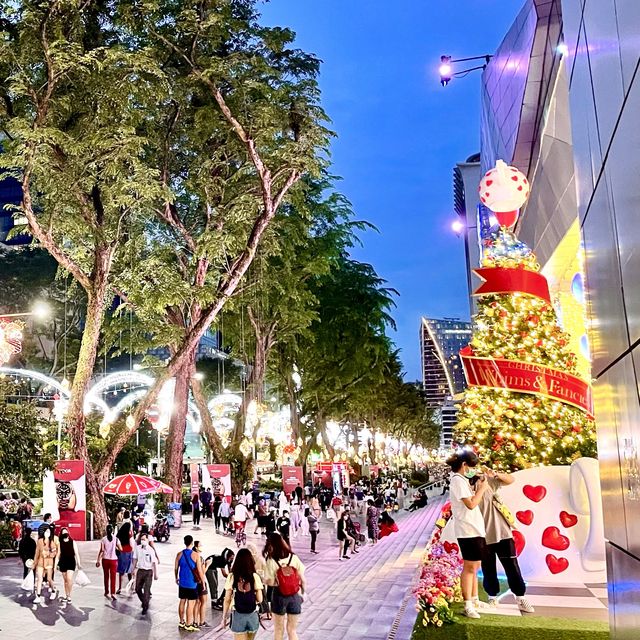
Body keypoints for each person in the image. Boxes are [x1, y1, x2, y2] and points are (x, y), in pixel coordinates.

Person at [476, 468, 534, 613]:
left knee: (512, 566)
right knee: (487, 568)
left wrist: (494, 474)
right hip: (482, 535)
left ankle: (520, 597)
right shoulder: (464, 486)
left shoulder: (487, 481)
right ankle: (492, 597)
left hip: (502, 532)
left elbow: (510, 480)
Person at [446, 449, 488, 619]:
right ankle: (468, 604)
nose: (473, 470)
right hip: (467, 530)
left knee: (475, 565)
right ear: (464, 465)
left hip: (474, 529)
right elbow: (471, 504)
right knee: (470, 567)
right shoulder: (457, 481)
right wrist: (482, 489)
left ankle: (475, 599)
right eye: (472, 467)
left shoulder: (462, 480)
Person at [263, 533, 305, 640]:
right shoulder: (293, 557)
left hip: (279, 596)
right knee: (292, 630)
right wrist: (302, 594)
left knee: (279, 629)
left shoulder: (271, 560)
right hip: (294, 596)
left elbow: (271, 582)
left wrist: (263, 580)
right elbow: (303, 579)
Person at [222, 548, 264, 640]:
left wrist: (224, 617)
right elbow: (260, 599)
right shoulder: (255, 576)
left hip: (238, 615)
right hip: (252, 615)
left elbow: (227, 599)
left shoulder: (232, 576)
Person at [175, 535, 203, 631]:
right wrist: (202, 582)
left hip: (182, 582)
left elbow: (175, 568)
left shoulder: (179, 554)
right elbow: (199, 571)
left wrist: (176, 578)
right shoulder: (196, 555)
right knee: (190, 604)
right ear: (191, 543)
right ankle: (188, 624)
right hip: (192, 584)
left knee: (182, 601)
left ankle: (181, 621)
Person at [133, 532, 158, 614]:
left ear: (147, 540)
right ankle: (144, 601)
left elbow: (154, 562)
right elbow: (135, 559)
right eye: (141, 539)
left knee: (147, 590)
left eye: (144, 539)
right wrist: (133, 569)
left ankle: (145, 606)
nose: (142, 541)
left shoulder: (150, 550)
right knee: (137, 589)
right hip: (140, 570)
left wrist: (156, 574)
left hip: (148, 572)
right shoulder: (137, 548)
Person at [33, 524, 58, 604]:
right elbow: (36, 553)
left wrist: (47, 554)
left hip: (49, 562)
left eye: (48, 531)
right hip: (40, 562)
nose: (47, 533)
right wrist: (34, 563)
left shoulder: (52, 542)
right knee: (39, 579)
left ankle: (53, 590)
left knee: (48, 579)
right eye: (46, 531)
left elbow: (54, 553)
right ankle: (38, 596)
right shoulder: (39, 541)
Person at [56, 527, 82, 603]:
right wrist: (56, 564)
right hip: (63, 562)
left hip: (71, 562)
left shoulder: (72, 542)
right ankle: (67, 595)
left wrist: (79, 563)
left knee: (69, 578)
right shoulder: (60, 543)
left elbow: (76, 553)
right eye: (63, 533)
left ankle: (69, 596)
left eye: (66, 532)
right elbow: (58, 554)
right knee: (65, 580)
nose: (65, 534)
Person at [96, 524, 120, 600]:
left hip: (105, 560)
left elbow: (102, 550)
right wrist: (116, 547)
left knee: (106, 576)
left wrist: (98, 560)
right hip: (114, 560)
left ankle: (106, 591)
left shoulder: (103, 539)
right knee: (113, 577)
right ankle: (113, 593)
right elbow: (121, 549)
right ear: (112, 530)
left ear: (106, 531)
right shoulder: (116, 539)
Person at [193, 540, 211, 627]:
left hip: (193, 582)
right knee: (203, 602)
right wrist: (207, 565)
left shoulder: (191, 556)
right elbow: (202, 572)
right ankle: (202, 622)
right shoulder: (200, 558)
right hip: (200, 582)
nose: (201, 546)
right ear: (196, 547)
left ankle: (195, 621)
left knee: (197, 602)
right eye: (200, 545)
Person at [116, 512, 135, 594]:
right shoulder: (129, 525)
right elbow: (131, 541)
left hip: (122, 551)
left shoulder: (121, 525)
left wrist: (118, 547)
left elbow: (117, 537)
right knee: (130, 570)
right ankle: (132, 586)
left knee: (121, 571)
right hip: (129, 551)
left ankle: (119, 588)